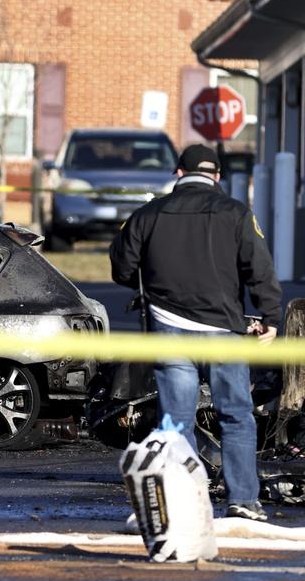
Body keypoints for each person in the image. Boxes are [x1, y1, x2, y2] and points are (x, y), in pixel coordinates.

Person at [110, 143, 282, 522]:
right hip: (223, 329)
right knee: (236, 415)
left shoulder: (148, 213)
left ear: (178, 173)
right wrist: (269, 314)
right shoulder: (236, 213)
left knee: (175, 420)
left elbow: (122, 268)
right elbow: (260, 267)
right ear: (217, 176)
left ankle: (187, 497)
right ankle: (243, 500)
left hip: (169, 328)